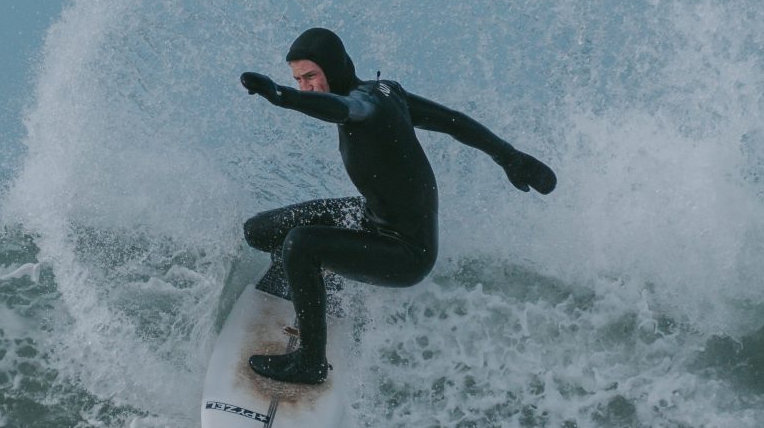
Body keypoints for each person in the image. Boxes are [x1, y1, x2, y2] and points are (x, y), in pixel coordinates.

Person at [238, 27, 557, 384]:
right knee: (259, 232)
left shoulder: (365, 105)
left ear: (334, 67)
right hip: (373, 218)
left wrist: (283, 97)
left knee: (299, 244)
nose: (305, 87)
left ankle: (310, 363)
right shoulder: (387, 91)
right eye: (297, 80)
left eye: (311, 76)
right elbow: (452, 122)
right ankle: (320, 278)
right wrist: (508, 156)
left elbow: (342, 108)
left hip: (405, 252)